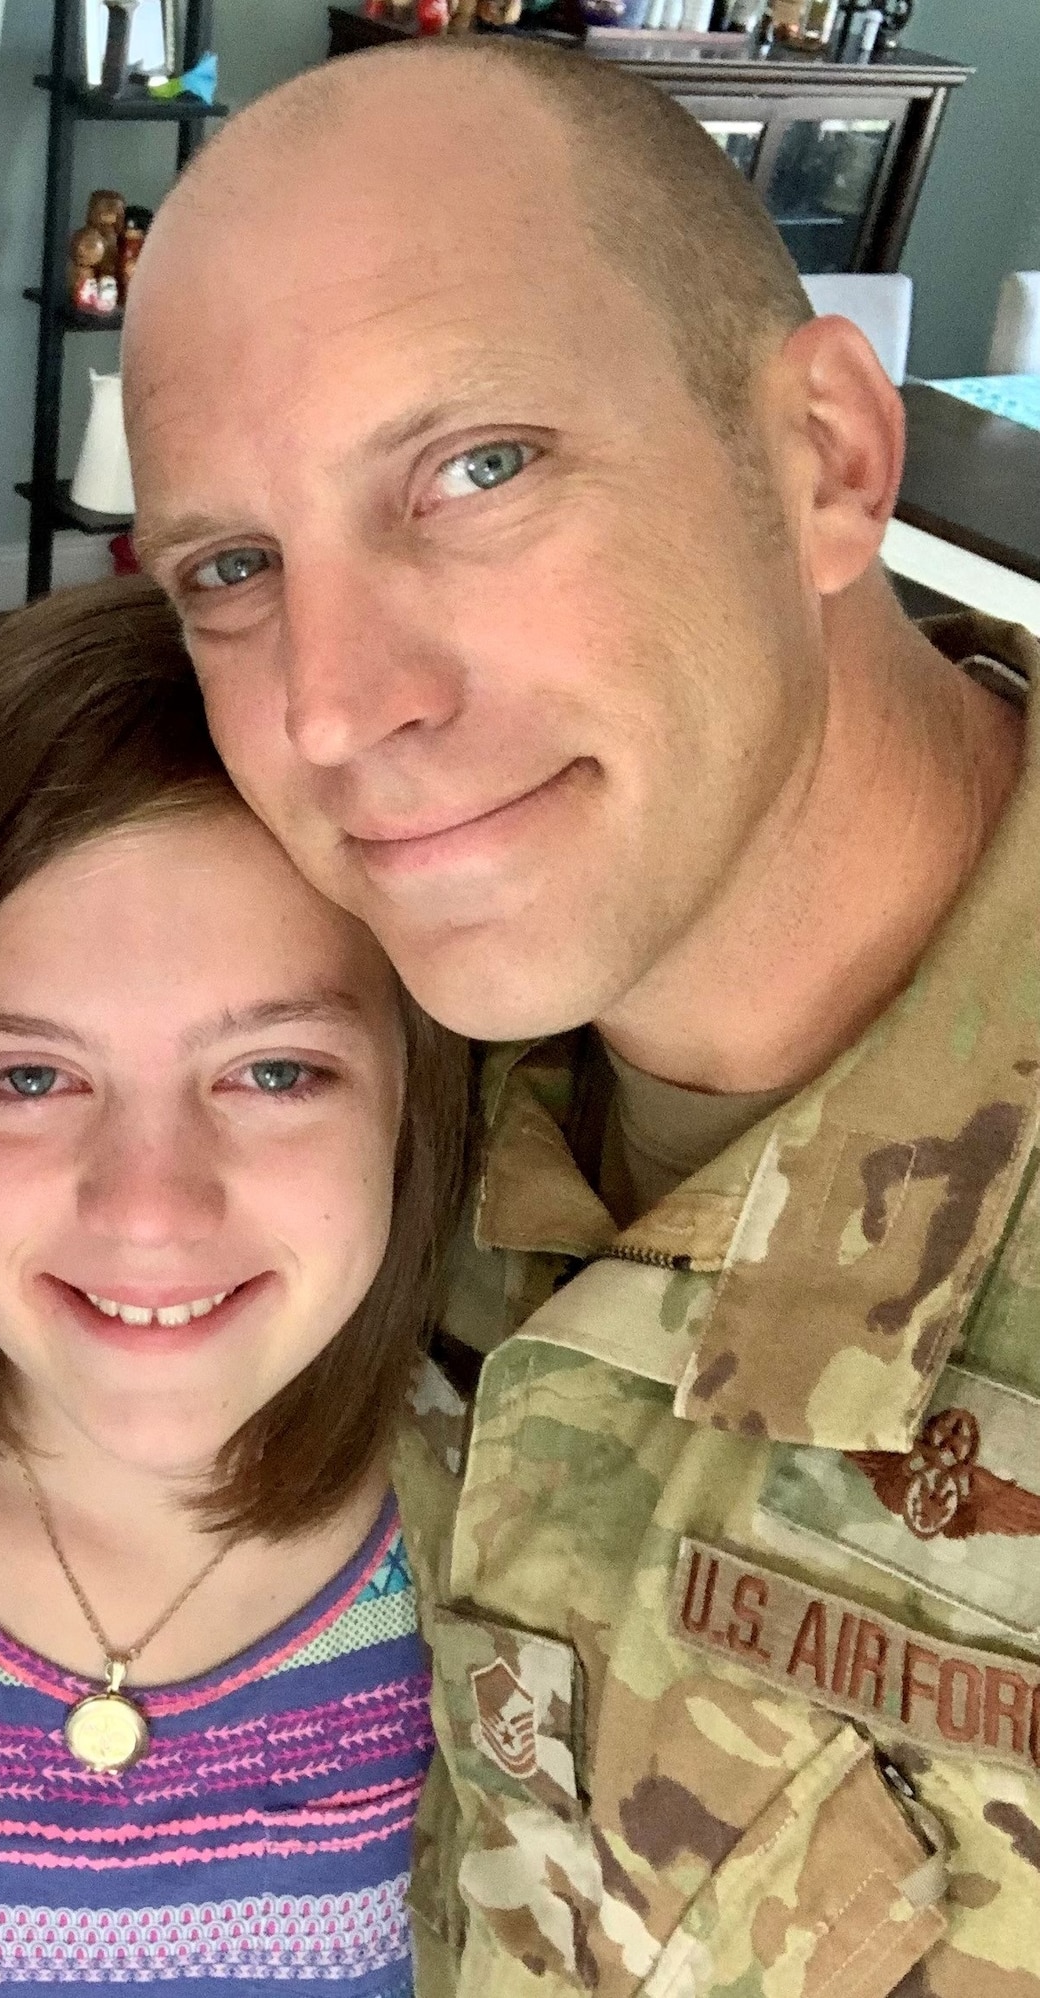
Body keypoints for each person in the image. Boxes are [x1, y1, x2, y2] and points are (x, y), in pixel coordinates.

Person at [121, 33, 1040, 1998]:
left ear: (823, 464)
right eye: (232, 567)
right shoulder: (325, 1106)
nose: (335, 706)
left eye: (474, 470)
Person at [0, 579, 467, 1998]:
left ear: (415, 1096)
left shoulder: (514, 1553)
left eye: (275, 1070)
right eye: (28, 1076)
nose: (150, 1202)